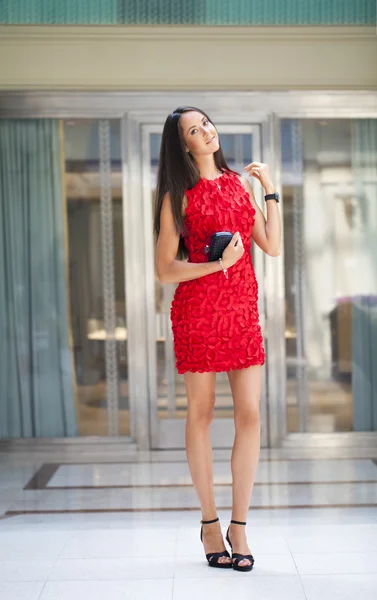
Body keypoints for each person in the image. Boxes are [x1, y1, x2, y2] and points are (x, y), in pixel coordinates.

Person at [154, 106, 281, 572]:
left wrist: (270, 191)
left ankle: (239, 527)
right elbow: (166, 269)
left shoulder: (239, 184)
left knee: (250, 415)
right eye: (194, 130)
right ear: (183, 144)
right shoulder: (177, 196)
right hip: (199, 312)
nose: (206, 131)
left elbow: (271, 245)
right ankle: (209, 523)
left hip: (242, 310)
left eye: (205, 123)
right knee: (202, 414)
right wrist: (216, 265)